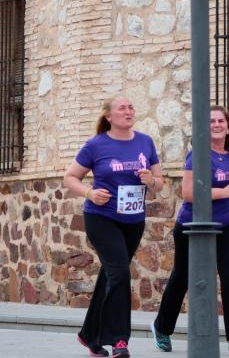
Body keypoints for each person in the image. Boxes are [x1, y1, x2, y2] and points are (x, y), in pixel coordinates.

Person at [150, 106, 229, 355]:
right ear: (204, 128)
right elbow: (188, 194)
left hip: (226, 224)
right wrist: (226, 192)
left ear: (228, 127)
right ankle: (162, 328)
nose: (217, 124)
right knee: (183, 278)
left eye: (221, 120)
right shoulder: (197, 155)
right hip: (192, 226)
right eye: (211, 121)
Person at [64, 96, 163, 358]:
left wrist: (151, 180)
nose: (129, 111)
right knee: (120, 274)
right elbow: (70, 177)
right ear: (109, 116)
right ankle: (119, 340)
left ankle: (89, 336)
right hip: (101, 217)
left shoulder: (145, 142)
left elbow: (160, 183)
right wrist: (89, 193)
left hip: (133, 220)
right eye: (122, 108)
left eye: (131, 106)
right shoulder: (97, 145)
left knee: (110, 275)